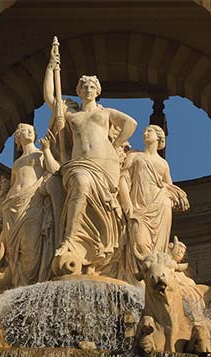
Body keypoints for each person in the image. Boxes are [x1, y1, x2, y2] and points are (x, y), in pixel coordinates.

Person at [43, 43, 137, 279]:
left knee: (96, 198)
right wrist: (51, 68)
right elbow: (50, 98)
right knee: (81, 184)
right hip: (80, 164)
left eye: (92, 86)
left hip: (105, 165)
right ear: (78, 90)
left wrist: (115, 145)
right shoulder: (71, 114)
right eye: (84, 86)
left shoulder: (105, 113)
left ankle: (91, 248)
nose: (87, 89)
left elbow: (131, 124)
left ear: (98, 91)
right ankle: (71, 239)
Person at [0, 124, 57, 287]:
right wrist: (3, 196)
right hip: (11, 205)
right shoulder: (17, 163)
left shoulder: (41, 153)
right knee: (12, 250)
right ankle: (18, 282)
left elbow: (55, 170)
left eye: (31, 131)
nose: (29, 132)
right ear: (17, 137)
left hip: (32, 201)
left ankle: (30, 282)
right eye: (24, 131)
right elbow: (14, 183)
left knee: (30, 245)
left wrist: (47, 150)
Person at [121, 124, 190, 266]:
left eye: (149, 131)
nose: (145, 133)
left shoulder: (163, 164)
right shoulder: (134, 156)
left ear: (159, 137)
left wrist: (178, 195)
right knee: (139, 242)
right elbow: (123, 178)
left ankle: (154, 273)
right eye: (145, 131)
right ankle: (139, 274)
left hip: (161, 207)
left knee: (157, 251)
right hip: (138, 208)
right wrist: (126, 200)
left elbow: (170, 187)